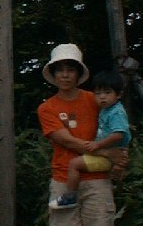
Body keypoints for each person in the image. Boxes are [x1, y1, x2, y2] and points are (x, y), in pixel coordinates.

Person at [37, 44, 127, 226]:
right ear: (52, 74)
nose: (65, 74)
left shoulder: (96, 99)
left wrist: (118, 156)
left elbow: (119, 131)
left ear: (78, 73)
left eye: (70, 69)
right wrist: (104, 153)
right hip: (63, 179)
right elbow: (65, 140)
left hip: (97, 181)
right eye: (60, 69)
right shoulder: (47, 107)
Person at [49, 69, 131, 210]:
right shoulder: (106, 108)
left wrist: (98, 146)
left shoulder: (114, 111)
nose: (102, 97)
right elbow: (66, 140)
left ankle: (70, 197)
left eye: (107, 93)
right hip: (108, 155)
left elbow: (120, 134)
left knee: (74, 164)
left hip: (103, 166)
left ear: (119, 94)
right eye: (98, 94)